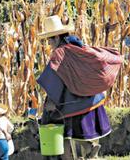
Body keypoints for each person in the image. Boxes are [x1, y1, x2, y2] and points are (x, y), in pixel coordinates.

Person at [37, 15, 123, 159]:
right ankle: (90, 149)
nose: (49, 43)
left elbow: (54, 81)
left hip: (75, 102)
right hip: (91, 97)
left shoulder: (59, 53)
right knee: (83, 132)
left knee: (64, 130)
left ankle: (76, 155)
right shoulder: (78, 46)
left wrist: (51, 102)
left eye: (49, 40)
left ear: (56, 38)